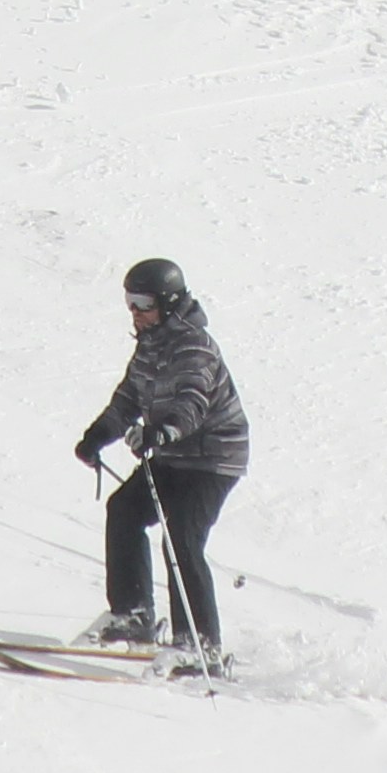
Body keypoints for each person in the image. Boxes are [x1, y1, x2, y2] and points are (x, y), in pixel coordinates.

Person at [73, 255, 250, 658]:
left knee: (182, 539)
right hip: (173, 454)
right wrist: (98, 435)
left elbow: (192, 402)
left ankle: (199, 645)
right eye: (130, 303)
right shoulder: (149, 346)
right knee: (124, 511)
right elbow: (129, 398)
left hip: (213, 457)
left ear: (168, 303)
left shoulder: (193, 345)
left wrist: (162, 430)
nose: (135, 313)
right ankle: (134, 616)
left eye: (144, 304)